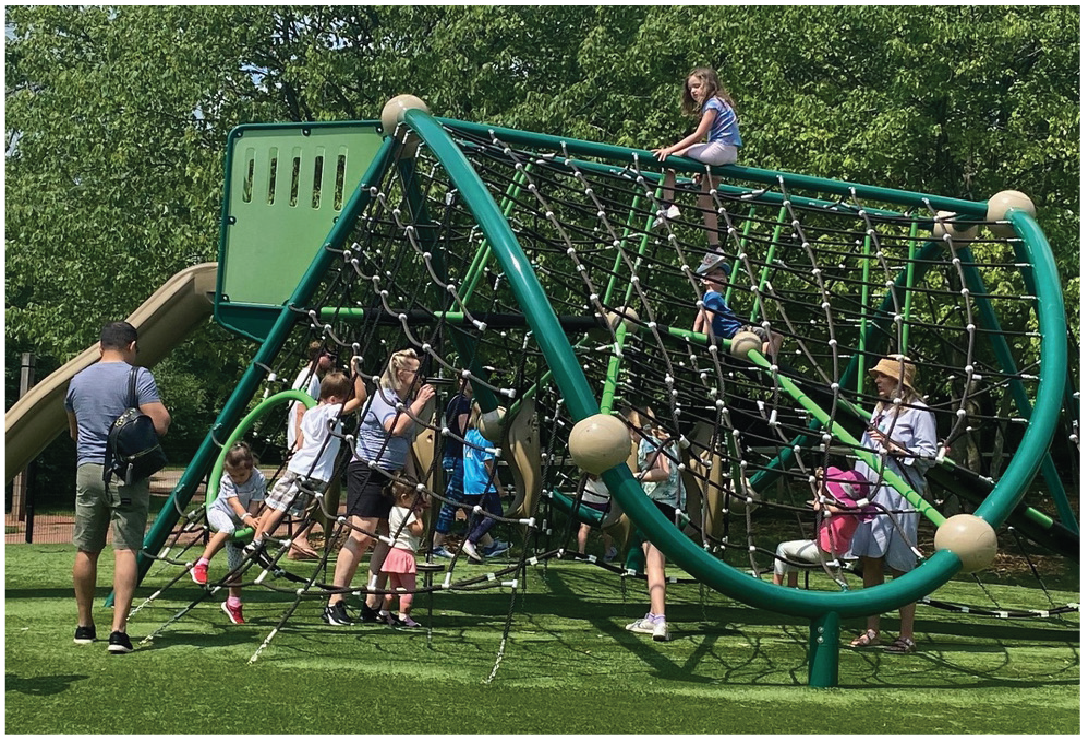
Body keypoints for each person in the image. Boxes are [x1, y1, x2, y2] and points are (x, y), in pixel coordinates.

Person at [63, 321, 171, 653]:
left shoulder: (77, 380)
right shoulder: (137, 376)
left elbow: (74, 432)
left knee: (86, 549)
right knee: (125, 549)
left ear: (100, 347)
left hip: (87, 469)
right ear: (132, 346)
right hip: (125, 470)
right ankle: (118, 633)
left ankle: (84, 626)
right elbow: (161, 423)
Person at [324, 348, 436, 627]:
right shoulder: (383, 397)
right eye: (415, 371)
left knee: (390, 537)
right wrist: (420, 403)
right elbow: (394, 428)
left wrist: (414, 483)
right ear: (401, 373)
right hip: (368, 470)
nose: (419, 376)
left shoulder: (404, 399)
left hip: (393, 474)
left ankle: (373, 602)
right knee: (362, 536)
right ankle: (334, 602)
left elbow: (405, 445)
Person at [847, 355, 938, 654]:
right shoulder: (878, 411)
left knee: (901, 564)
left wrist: (895, 448)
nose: (876, 381)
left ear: (899, 380)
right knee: (870, 559)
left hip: (900, 496)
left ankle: (906, 635)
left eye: (882, 377)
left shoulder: (919, 412)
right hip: (871, 495)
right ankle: (872, 629)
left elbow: (927, 455)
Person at [247, 370, 365, 556]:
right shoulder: (330, 411)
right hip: (312, 472)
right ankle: (260, 544)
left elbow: (300, 443)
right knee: (282, 509)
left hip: (296, 466)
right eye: (343, 399)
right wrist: (356, 371)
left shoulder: (310, 413)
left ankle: (254, 541)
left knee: (272, 506)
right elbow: (360, 399)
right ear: (334, 399)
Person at [651, 66, 742, 274]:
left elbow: (699, 136)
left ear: (709, 84)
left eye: (697, 86)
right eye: (690, 88)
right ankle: (715, 249)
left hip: (718, 150)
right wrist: (703, 165)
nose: (693, 91)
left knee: (670, 161)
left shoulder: (712, 104)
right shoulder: (724, 103)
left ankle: (668, 205)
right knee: (705, 200)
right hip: (729, 154)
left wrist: (670, 150)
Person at [624, 407, 684, 642]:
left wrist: (635, 477)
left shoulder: (648, 442)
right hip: (670, 506)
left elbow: (662, 472)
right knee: (653, 562)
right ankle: (653, 614)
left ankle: (659, 619)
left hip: (658, 506)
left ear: (633, 428)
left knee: (655, 563)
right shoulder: (666, 440)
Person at [190, 442, 267, 624]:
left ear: (251, 467)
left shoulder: (259, 478)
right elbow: (233, 502)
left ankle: (233, 603)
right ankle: (202, 563)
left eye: (241, 475)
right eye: (234, 475)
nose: (238, 479)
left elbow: (255, 502)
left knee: (236, 565)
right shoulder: (227, 479)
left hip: (239, 521)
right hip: (220, 513)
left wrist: (251, 521)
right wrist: (247, 517)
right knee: (227, 529)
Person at [772, 466, 873, 588]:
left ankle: (775, 587)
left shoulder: (836, 509)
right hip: (835, 550)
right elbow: (836, 505)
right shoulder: (854, 510)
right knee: (794, 554)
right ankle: (792, 587)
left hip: (823, 550)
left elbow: (819, 506)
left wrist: (820, 491)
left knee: (782, 548)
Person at [285, 341, 334, 559]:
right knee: (305, 494)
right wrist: (300, 443)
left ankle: (298, 539)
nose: (332, 362)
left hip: (301, 444)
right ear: (320, 356)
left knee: (302, 494)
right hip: (303, 446)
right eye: (330, 357)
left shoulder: (307, 376)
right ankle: (299, 539)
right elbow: (300, 408)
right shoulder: (311, 379)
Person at [692, 264, 783, 360]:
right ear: (705, 280)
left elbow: (698, 321)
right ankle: (768, 360)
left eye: (723, 274)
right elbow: (708, 319)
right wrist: (706, 340)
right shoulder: (714, 297)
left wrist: (696, 338)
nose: (721, 277)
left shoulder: (705, 298)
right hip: (737, 332)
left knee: (766, 341)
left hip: (732, 334)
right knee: (777, 337)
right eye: (715, 274)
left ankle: (764, 355)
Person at [457, 402, 509, 563]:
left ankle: (476, 551)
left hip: (469, 484)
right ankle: (470, 541)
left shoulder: (468, 435)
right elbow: (488, 464)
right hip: (483, 483)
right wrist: (498, 486)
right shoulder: (485, 438)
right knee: (495, 513)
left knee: (476, 519)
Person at [379, 480, 429, 628]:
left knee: (393, 588)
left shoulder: (393, 510)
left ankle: (384, 612)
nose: (416, 502)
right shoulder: (408, 513)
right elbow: (417, 531)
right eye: (414, 498)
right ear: (404, 497)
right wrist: (420, 517)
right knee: (408, 588)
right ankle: (404, 616)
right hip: (404, 554)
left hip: (393, 553)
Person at [431, 381, 473, 558]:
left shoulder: (463, 401)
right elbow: (465, 428)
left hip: (460, 458)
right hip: (457, 458)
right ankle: (435, 544)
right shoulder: (462, 402)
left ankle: (486, 542)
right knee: (451, 502)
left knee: (470, 502)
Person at [575, 473, 618, 562]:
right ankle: (608, 553)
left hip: (586, 497)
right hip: (602, 500)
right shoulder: (607, 466)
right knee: (607, 527)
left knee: (584, 526)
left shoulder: (589, 465)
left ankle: (580, 552)